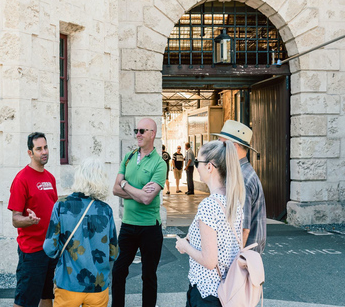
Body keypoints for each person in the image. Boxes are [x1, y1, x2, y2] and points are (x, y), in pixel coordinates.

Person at [175, 140, 245, 307]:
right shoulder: (234, 201)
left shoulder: (209, 205)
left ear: (209, 167)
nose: (196, 166)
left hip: (206, 292)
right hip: (228, 290)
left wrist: (184, 246)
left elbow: (209, 260)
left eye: (198, 162)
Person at [43, 157, 118, 307]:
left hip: (68, 284)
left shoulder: (61, 206)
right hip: (98, 285)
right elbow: (113, 252)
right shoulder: (106, 210)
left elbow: (49, 248)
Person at [111, 118, 167, 307]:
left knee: (148, 275)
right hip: (128, 226)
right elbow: (115, 189)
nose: (138, 134)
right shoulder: (128, 157)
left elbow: (146, 199)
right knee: (118, 270)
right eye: (137, 130)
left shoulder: (160, 164)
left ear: (153, 134)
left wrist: (126, 185)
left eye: (143, 131)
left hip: (150, 228)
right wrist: (137, 190)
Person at [8, 132, 58, 307]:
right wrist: (28, 220)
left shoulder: (50, 178)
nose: (44, 152)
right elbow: (15, 219)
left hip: (50, 249)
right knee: (25, 301)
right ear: (30, 153)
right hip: (31, 252)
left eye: (45, 147)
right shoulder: (22, 179)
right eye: (39, 149)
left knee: (47, 296)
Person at [214, 120, 267, 254]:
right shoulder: (244, 172)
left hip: (243, 255)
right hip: (249, 253)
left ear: (234, 146)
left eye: (222, 144)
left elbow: (243, 228)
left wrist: (234, 261)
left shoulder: (241, 178)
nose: (218, 149)